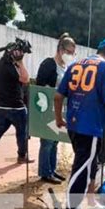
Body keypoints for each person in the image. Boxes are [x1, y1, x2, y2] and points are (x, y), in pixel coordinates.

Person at [55, 39, 105, 209]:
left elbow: (57, 96)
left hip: (73, 124)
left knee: (90, 164)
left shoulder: (75, 65)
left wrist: (58, 118)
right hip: (91, 127)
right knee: (81, 170)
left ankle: (92, 202)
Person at [0, 39, 33, 166]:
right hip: (16, 106)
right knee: (22, 132)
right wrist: (20, 62)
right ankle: (21, 156)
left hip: (0, 106)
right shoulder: (12, 67)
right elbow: (26, 79)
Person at [36, 33, 76, 184]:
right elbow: (40, 87)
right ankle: (45, 172)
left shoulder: (67, 68)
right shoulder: (48, 64)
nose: (71, 56)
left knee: (55, 140)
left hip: (60, 109)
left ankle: (52, 169)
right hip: (47, 109)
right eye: (69, 52)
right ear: (60, 50)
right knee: (46, 141)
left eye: (73, 53)